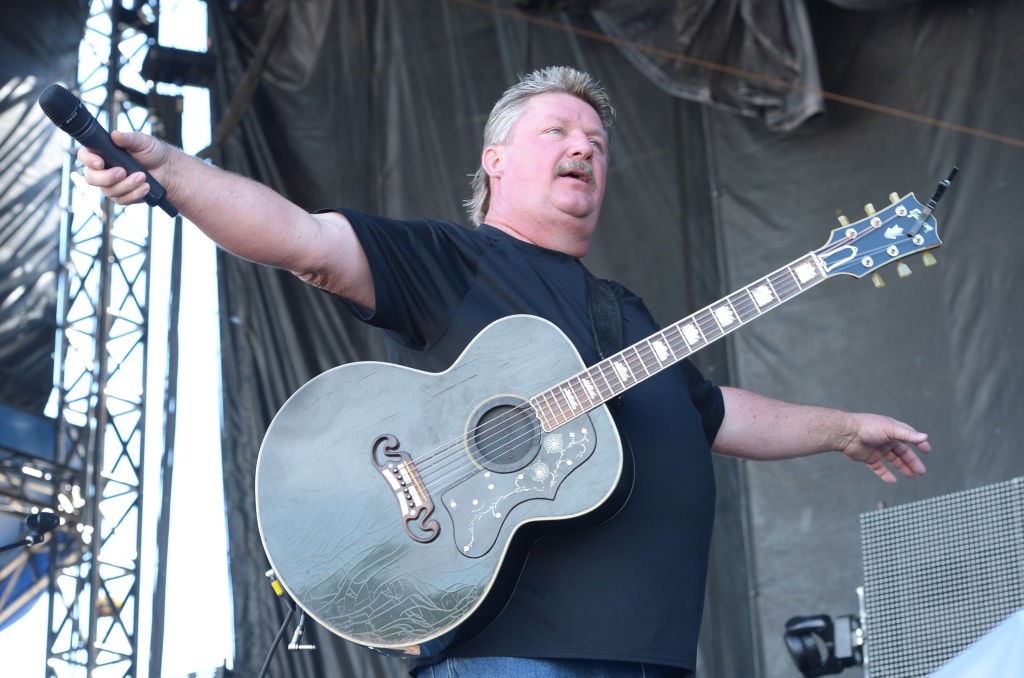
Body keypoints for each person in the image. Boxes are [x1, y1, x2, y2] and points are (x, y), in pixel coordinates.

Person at [79, 66, 930, 678]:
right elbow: (303, 242)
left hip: (655, 655)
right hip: (511, 654)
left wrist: (841, 429)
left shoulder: (625, 314)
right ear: (495, 161)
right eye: (557, 133)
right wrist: (179, 176)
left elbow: (705, 416)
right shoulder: (455, 260)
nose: (584, 151)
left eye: (596, 142)